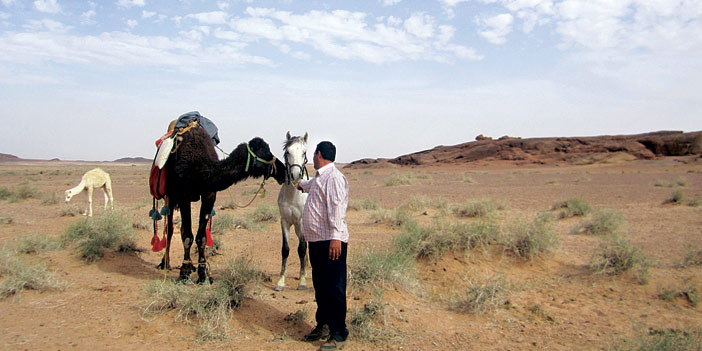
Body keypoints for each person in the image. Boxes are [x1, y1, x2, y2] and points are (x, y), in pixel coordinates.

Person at [297, 141, 350, 350]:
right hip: (317, 242)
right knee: (321, 286)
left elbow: (337, 208)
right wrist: (297, 183)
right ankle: (324, 324)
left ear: (319, 154)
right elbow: (306, 185)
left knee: (335, 287)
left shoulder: (334, 178)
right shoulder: (319, 178)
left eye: (314, 154)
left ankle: (339, 334)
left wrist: (336, 237)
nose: (312, 157)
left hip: (331, 242)